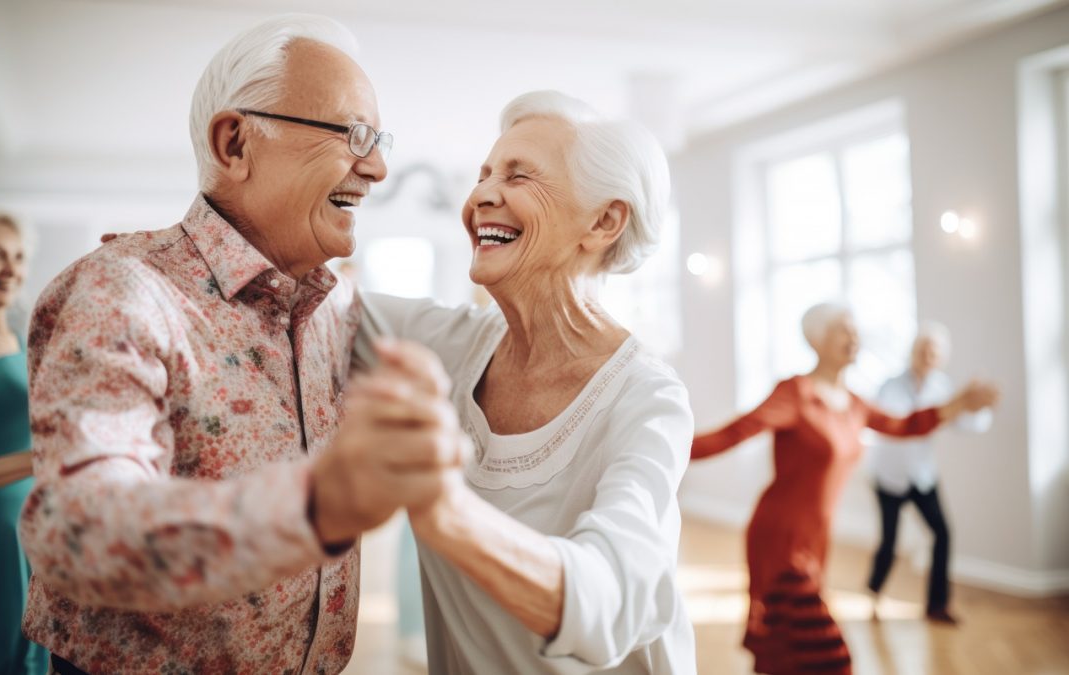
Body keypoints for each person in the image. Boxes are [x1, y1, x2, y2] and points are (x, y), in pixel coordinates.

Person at [18, 15, 462, 674]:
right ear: (234, 143)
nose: (378, 166)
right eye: (352, 134)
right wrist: (320, 505)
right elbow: (77, 532)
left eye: (379, 137)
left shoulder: (337, 307)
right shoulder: (124, 291)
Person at [356, 90, 696, 673]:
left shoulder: (648, 399)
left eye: (519, 175)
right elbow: (303, 301)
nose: (481, 194)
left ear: (604, 220)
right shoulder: (450, 343)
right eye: (485, 172)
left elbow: (612, 599)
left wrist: (446, 511)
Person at [689, 303, 998, 675]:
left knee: (787, 648)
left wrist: (959, 405)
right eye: (843, 329)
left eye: (856, 330)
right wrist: (668, 445)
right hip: (780, 537)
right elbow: (733, 433)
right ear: (817, 340)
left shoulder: (854, 403)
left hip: (816, 539)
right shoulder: (796, 394)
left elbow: (904, 426)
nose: (855, 337)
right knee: (830, 657)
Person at [866, 321, 992, 625]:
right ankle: (873, 593)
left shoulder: (943, 388)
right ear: (912, 352)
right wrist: (952, 405)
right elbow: (900, 425)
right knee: (889, 543)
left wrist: (975, 407)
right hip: (889, 477)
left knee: (943, 534)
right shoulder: (890, 386)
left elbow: (966, 425)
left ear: (942, 358)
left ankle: (937, 605)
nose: (927, 356)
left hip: (922, 476)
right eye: (922, 350)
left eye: (933, 352)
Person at [0, 213, 49, 675]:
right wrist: (41, 456)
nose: (11, 268)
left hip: (31, 525)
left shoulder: (17, 332)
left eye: (18, 256)